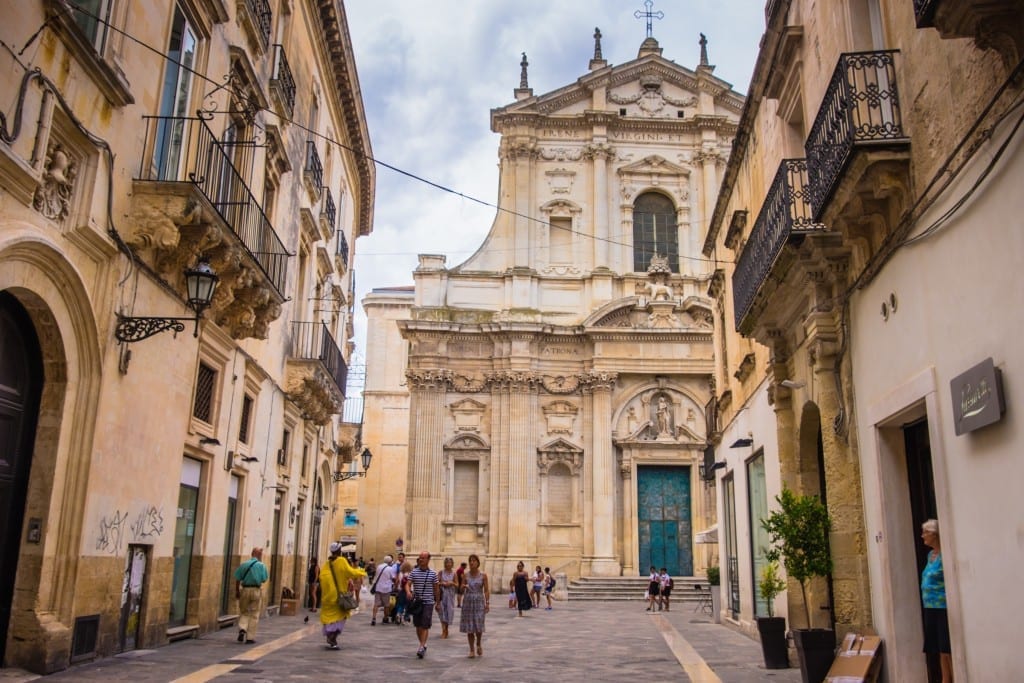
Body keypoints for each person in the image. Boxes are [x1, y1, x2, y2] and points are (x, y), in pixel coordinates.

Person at [319, 542, 367, 649]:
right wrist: (362, 571)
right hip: (338, 596)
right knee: (340, 617)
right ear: (339, 550)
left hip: (327, 597)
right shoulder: (341, 561)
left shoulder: (327, 563)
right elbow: (351, 572)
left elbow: (322, 577)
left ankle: (330, 636)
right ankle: (332, 638)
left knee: (329, 617)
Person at [921, 519, 952, 683]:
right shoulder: (930, 555)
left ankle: (953, 678)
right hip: (930, 606)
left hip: (942, 607)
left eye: (925, 532)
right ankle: (945, 679)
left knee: (947, 647)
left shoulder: (944, 555)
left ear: (934, 534)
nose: (922, 536)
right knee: (939, 648)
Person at [406, 551, 440, 658]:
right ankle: (423, 644)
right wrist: (408, 592)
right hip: (417, 602)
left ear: (428, 560)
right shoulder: (414, 572)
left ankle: (421, 646)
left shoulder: (433, 574)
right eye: (420, 558)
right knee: (418, 625)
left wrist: (438, 602)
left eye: (423, 558)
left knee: (425, 624)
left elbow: (436, 589)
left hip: (428, 602)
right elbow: (408, 584)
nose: (421, 560)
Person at [233, 547, 269, 644]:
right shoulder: (262, 566)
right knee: (254, 613)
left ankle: (242, 628)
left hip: (245, 589)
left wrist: (237, 591)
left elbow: (237, 578)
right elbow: (264, 579)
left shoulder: (244, 564)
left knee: (244, 611)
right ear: (258, 555)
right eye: (261, 554)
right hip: (256, 590)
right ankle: (250, 638)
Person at [460, 553, 489, 657]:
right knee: (469, 627)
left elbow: (486, 590)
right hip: (468, 601)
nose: (472, 562)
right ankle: (471, 649)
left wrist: (487, 603)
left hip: (479, 601)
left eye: (474, 561)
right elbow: (460, 589)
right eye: (470, 561)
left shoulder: (483, 575)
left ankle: (478, 643)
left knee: (478, 625)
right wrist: (463, 587)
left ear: (478, 563)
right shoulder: (465, 575)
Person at [370, 554, 395, 626]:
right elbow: (393, 577)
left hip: (378, 587)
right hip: (386, 588)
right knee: (386, 605)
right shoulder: (390, 568)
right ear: (390, 561)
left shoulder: (379, 566)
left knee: (376, 604)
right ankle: (385, 618)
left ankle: (374, 618)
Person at [438, 557, 458, 639]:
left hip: (450, 595)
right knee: (442, 611)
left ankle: (446, 629)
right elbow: (437, 582)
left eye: (450, 563)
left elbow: (457, 584)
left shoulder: (454, 574)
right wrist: (442, 583)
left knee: (448, 612)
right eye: (447, 563)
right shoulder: (441, 572)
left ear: (452, 564)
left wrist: (452, 583)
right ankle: (443, 630)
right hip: (442, 594)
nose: (448, 564)